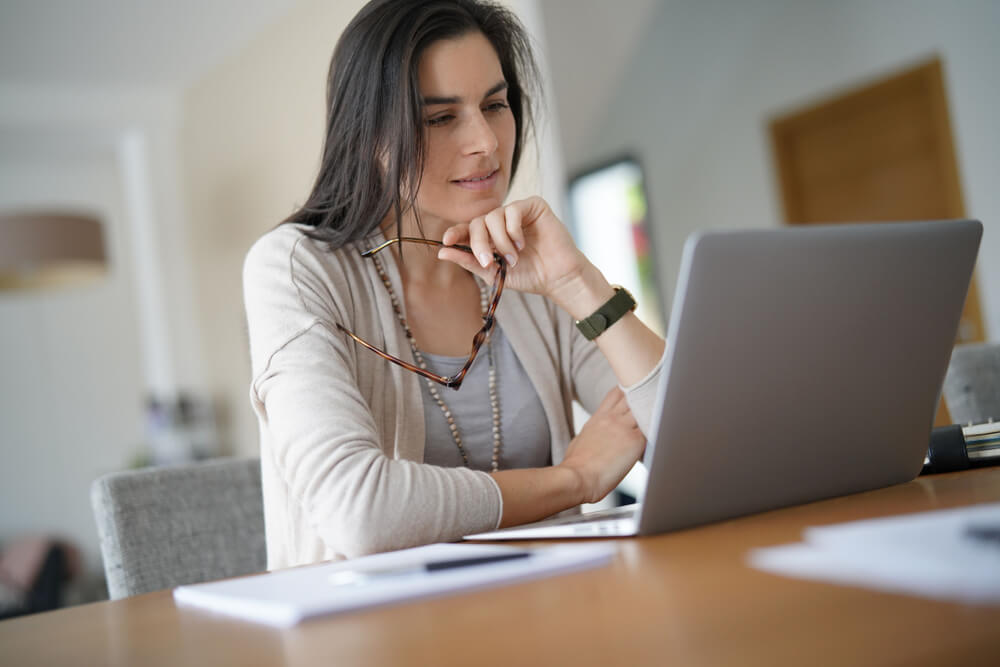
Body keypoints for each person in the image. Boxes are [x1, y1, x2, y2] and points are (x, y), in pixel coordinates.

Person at [243, 0, 666, 569]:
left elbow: (694, 443)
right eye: (441, 118)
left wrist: (576, 282)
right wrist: (574, 480)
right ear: (370, 134)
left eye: (495, 105)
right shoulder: (296, 268)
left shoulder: (524, 264)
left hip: (553, 612)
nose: (487, 143)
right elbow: (360, 511)